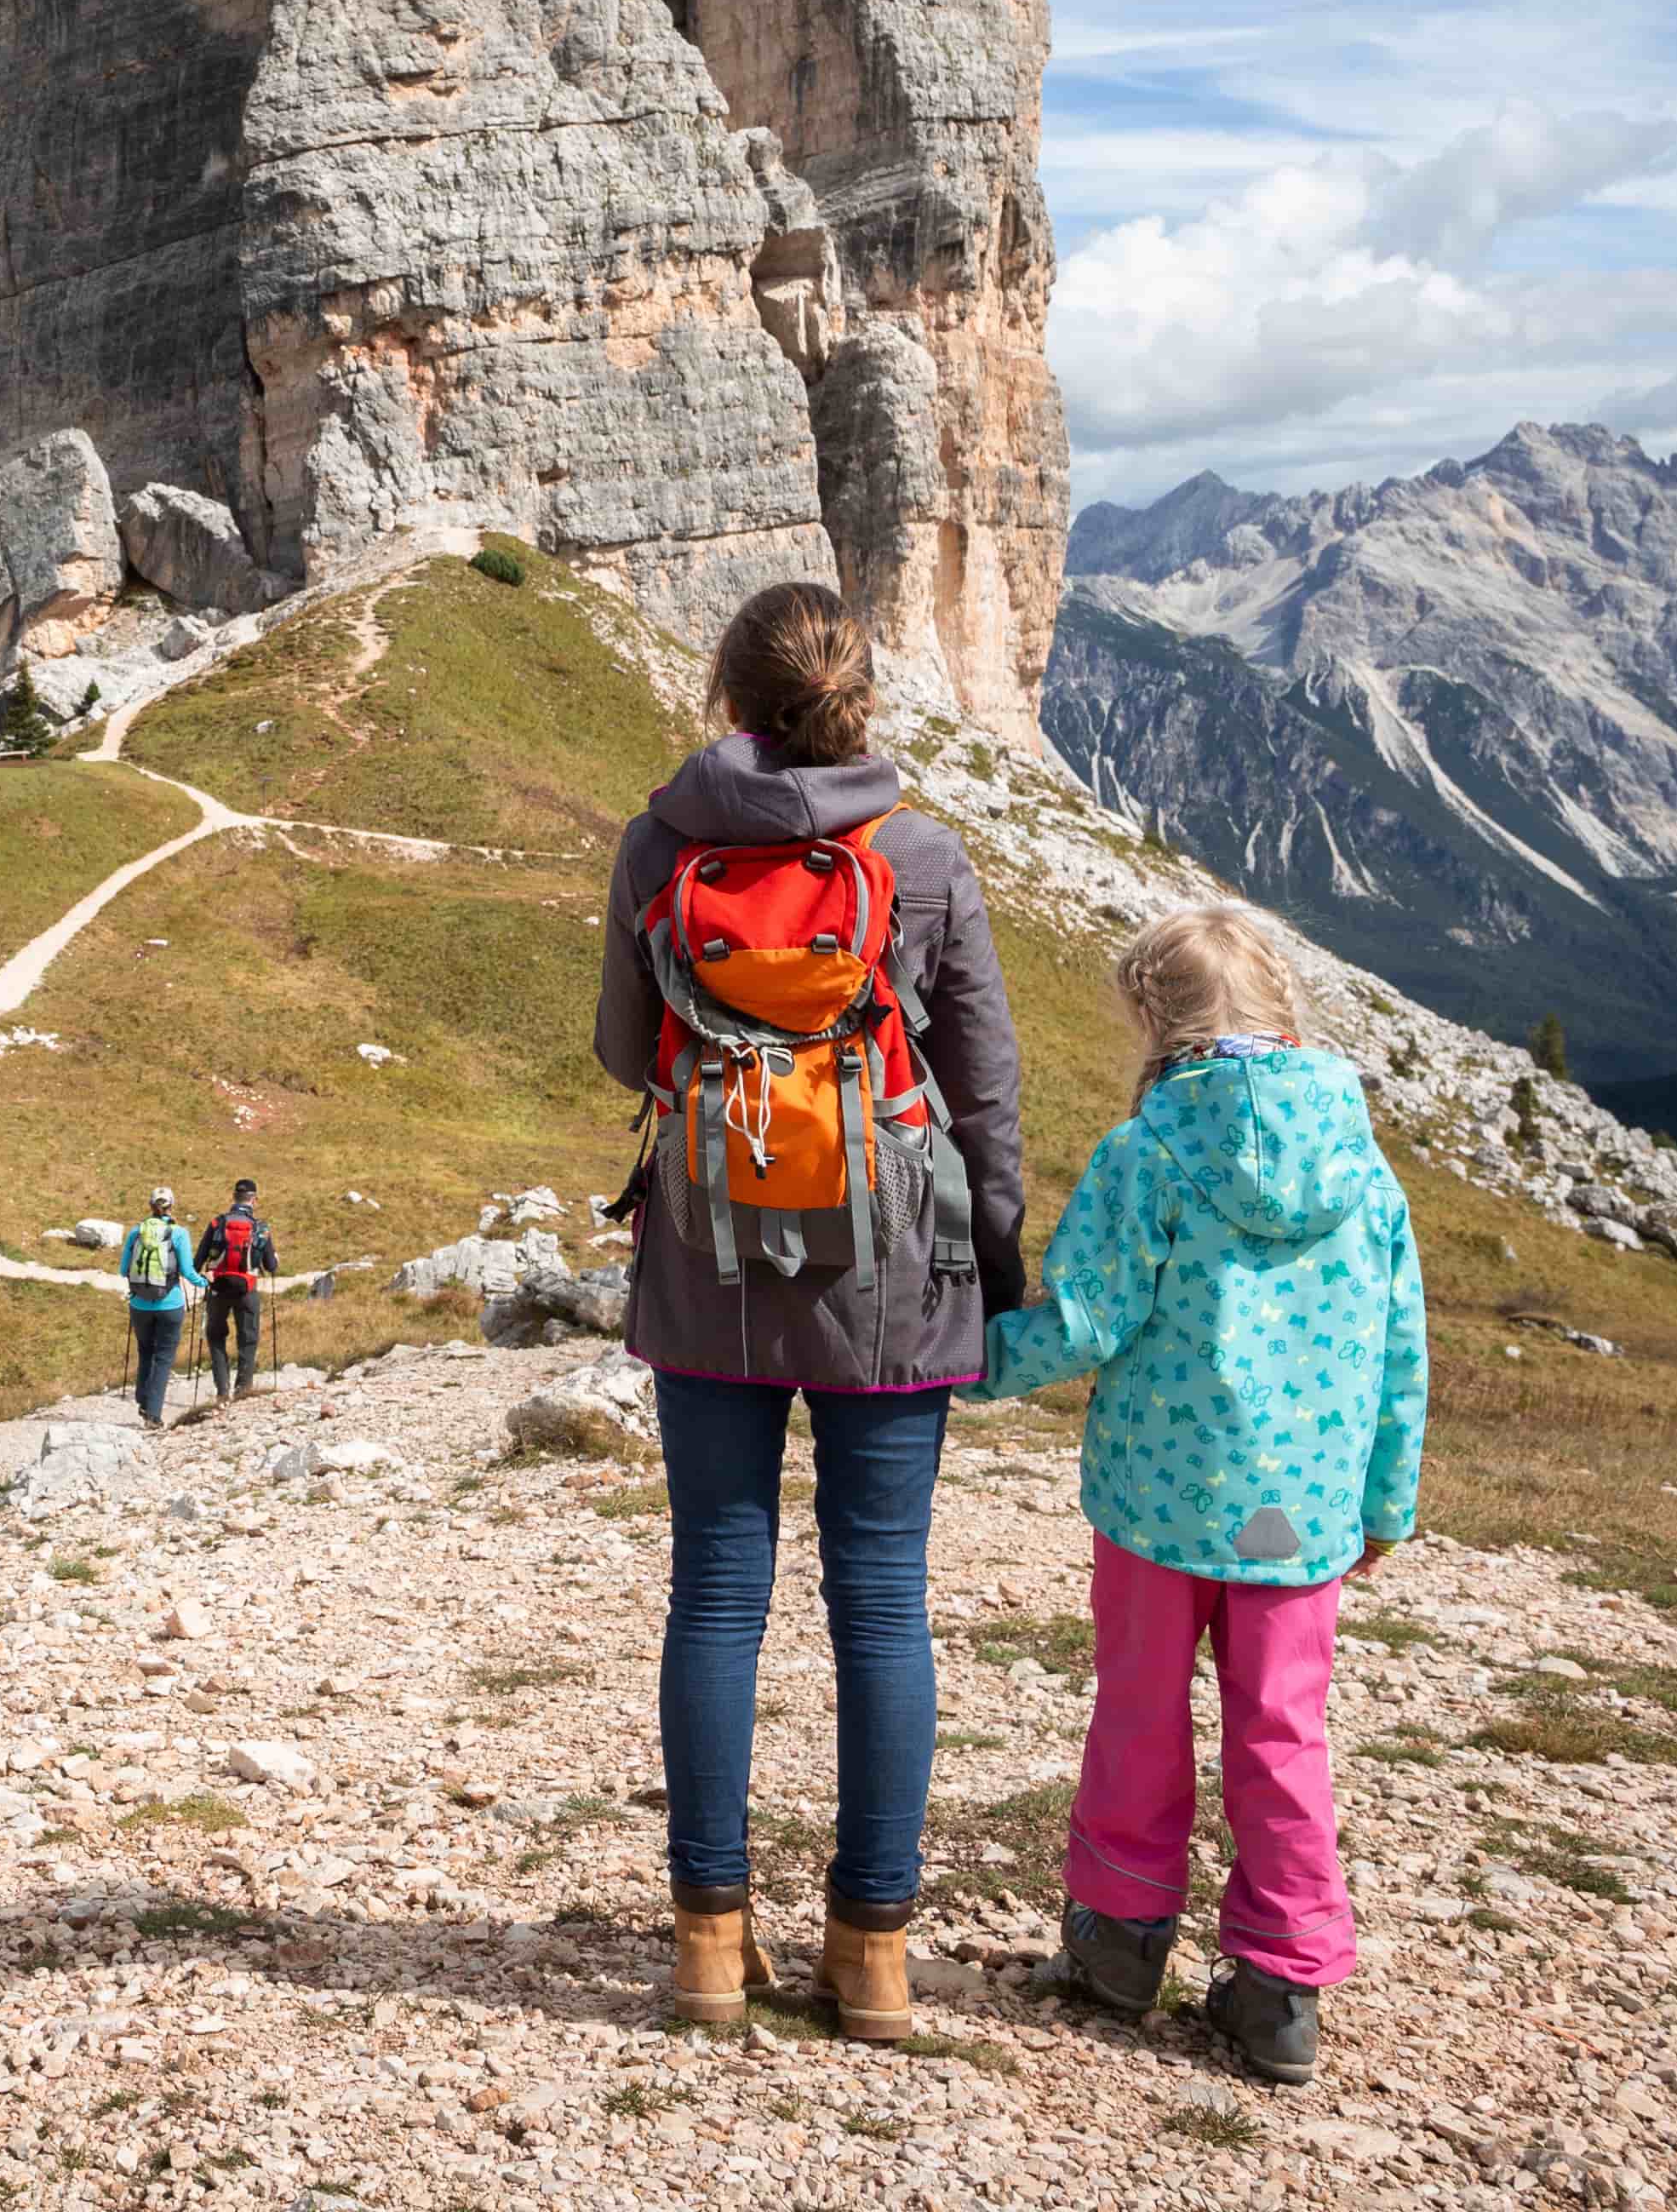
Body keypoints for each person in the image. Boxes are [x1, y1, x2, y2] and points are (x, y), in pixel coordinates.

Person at [592, 579, 1027, 2044]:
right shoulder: (920, 854)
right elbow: (982, 1085)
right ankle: (873, 1953)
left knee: (716, 1584)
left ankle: (710, 1948)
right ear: (859, 699)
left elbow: (617, 1047)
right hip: (893, 1266)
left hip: (705, 1248)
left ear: (727, 695)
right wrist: (1000, 1250)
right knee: (880, 1599)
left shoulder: (660, 843)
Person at [972, 903, 1427, 2089]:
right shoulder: (1364, 1166)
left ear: (1150, 1018)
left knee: (1139, 1705)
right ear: (1284, 1006)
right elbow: (1398, 1348)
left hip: (1160, 1503)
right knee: (1283, 1729)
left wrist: (964, 1368)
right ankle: (1281, 1988)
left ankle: (1118, 1949)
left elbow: (1086, 1321)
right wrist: (1385, 1502)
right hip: (1297, 1513)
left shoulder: (1149, 1153)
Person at [116, 1185, 197, 1430]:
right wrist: (205, 1281)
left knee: (145, 1351)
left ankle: (143, 1399)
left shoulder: (136, 1232)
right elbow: (187, 1271)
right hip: (170, 1304)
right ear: (171, 1206)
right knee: (163, 1358)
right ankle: (153, 1414)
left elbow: (123, 1270)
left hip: (139, 1304)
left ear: (151, 1206)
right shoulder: (179, 1233)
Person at [197, 1178, 283, 1401]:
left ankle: (222, 1391)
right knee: (248, 1338)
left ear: (233, 1198)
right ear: (254, 1200)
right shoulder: (261, 1228)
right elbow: (271, 1266)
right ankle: (243, 1388)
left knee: (216, 1336)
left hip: (218, 1288)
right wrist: (275, 1259)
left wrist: (203, 1277)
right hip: (247, 1289)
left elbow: (198, 1260)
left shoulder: (217, 1223)